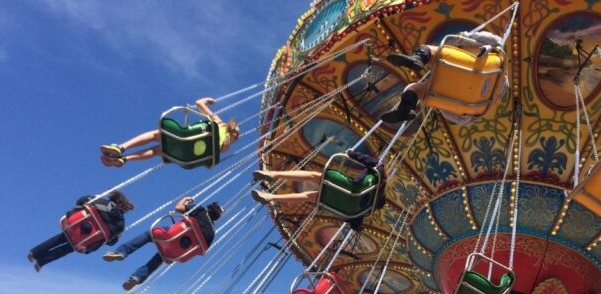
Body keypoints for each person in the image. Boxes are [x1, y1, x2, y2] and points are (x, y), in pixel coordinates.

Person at [380, 31, 506, 124]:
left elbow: (495, 41)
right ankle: (406, 108)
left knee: (433, 52)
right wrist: (441, 106)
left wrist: (463, 38)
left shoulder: (498, 67)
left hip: (465, 66)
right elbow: (460, 118)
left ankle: (418, 59)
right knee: (418, 90)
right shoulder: (483, 105)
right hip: (461, 97)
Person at [102, 197, 223, 290]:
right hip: (179, 253)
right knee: (161, 256)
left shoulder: (201, 211)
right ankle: (137, 277)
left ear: (209, 209)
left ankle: (121, 252)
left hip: (171, 236)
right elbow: (202, 252)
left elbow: (178, 208)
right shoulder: (212, 233)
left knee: (149, 234)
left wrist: (185, 199)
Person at [250, 149, 387, 231]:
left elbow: (371, 161)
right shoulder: (362, 211)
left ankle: (273, 174)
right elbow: (355, 224)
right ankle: (271, 197)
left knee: (313, 175)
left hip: (348, 187)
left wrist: (350, 153)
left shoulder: (380, 173)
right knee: (310, 196)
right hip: (340, 202)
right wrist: (359, 227)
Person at [100, 97, 241, 167]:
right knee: (156, 151)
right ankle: (124, 159)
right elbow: (211, 160)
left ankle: (121, 148)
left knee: (155, 135)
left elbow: (199, 103)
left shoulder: (220, 124)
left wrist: (208, 100)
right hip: (186, 155)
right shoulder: (224, 147)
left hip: (186, 137)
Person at [28, 191, 134, 272]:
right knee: (68, 248)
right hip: (84, 240)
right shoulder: (120, 225)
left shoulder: (101, 201)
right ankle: (41, 262)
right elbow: (111, 242)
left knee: (59, 239)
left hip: (74, 226)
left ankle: (34, 253)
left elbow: (81, 200)